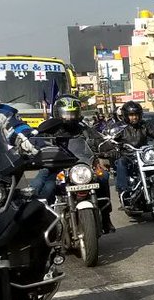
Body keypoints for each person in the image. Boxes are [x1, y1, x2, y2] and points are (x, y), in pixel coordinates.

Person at [31, 95, 117, 233]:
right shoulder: (50, 128)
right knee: (41, 185)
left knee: (103, 176)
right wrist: (34, 154)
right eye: (66, 114)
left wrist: (110, 149)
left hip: (81, 166)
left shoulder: (83, 128)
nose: (69, 118)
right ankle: (40, 223)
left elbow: (99, 140)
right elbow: (37, 142)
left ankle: (106, 217)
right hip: (55, 166)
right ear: (58, 113)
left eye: (73, 114)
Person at [111, 100, 154, 195]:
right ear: (125, 115)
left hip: (143, 155)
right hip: (128, 156)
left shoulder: (144, 125)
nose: (135, 117)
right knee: (121, 162)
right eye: (131, 115)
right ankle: (124, 190)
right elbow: (109, 139)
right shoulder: (118, 127)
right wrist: (113, 145)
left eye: (137, 114)